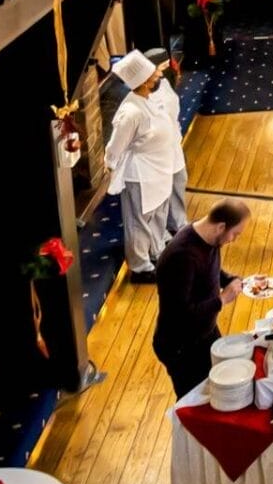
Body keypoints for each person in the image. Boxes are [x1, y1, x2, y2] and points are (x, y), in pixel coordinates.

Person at [106, 51, 189, 281]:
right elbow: (114, 148)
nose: (158, 76)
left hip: (159, 168)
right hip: (140, 173)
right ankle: (140, 267)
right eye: (153, 75)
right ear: (143, 81)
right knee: (139, 222)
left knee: (158, 215)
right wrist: (111, 167)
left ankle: (157, 253)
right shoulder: (130, 112)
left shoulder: (149, 98)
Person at [153, 199, 249, 397]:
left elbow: (209, 271)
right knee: (196, 400)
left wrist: (234, 280)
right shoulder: (182, 257)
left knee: (220, 388)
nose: (234, 239)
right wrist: (222, 299)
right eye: (235, 234)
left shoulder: (208, 238)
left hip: (205, 333)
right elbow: (181, 313)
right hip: (182, 346)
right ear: (221, 226)